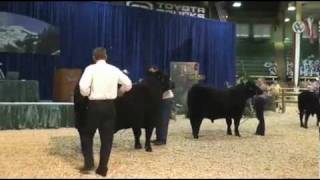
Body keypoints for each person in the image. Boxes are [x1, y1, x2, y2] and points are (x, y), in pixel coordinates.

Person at [78, 47, 132, 177]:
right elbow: (128, 84)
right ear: (106, 57)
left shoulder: (90, 69)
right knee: (107, 138)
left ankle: (89, 164)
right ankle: (102, 168)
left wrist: (87, 93)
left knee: (87, 134)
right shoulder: (114, 69)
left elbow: (83, 87)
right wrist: (120, 92)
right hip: (109, 106)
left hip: (94, 106)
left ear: (93, 57)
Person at [148, 66, 175, 145]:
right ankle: (159, 138)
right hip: (160, 100)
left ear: (156, 70)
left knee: (163, 119)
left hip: (166, 99)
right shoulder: (156, 78)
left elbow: (171, 85)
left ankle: (162, 139)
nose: (150, 72)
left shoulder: (163, 77)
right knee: (159, 119)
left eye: (152, 70)